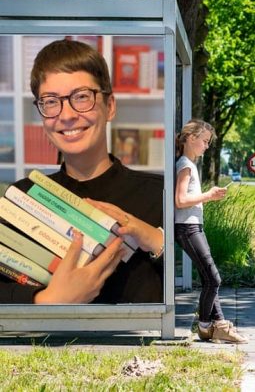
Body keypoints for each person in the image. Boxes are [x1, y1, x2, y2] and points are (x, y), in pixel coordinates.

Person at [0, 39, 164, 304]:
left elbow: (197, 291)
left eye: (81, 97)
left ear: (109, 106)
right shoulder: (20, 199)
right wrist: (47, 302)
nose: (66, 115)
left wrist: (157, 240)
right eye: (51, 101)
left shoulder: (160, 195)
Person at [175, 119, 247, 343]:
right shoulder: (185, 165)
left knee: (210, 277)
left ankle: (218, 326)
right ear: (191, 138)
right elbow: (180, 200)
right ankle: (206, 326)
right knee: (213, 279)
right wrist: (209, 195)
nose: (207, 146)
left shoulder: (188, 163)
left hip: (194, 226)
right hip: (188, 228)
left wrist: (208, 196)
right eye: (205, 141)